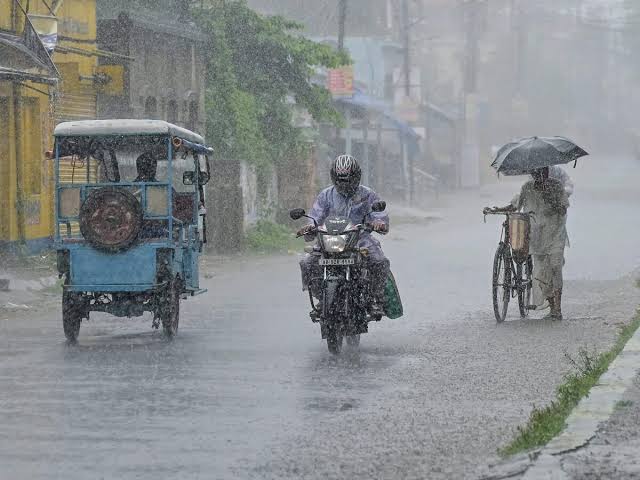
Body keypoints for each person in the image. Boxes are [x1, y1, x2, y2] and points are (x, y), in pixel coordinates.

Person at [298, 154, 390, 317]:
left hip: (360, 239)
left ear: (356, 176)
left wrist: (378, 223)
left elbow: (380, 215)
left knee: (379, 261)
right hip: (330, 239)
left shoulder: (368, 195)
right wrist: (309, 227)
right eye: (340, 179)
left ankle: (376, 299)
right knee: (307, 262)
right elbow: (316, 216)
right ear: (334, 177)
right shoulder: (326, 195)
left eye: (348, 179)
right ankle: (322, 297)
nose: (344, 183)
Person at [485, 166, 569, 319]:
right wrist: (498, 209)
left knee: (555, 267)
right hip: (537, 237)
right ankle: (552, 306)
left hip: (555, 233)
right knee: (540, 272)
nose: (539, 175)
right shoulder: (527, 187)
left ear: (547, 172)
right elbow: (516, 205)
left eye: (542, 172)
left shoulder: (556, 186)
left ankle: (558, 308)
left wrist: (549, 197)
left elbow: (563, 209)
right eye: (536, 173)